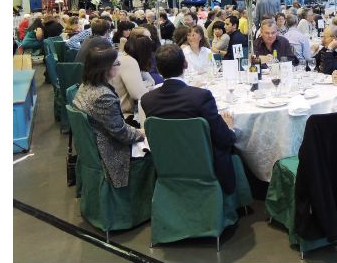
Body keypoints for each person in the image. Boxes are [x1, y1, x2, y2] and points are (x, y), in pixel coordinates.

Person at [139, 44, 240, 194]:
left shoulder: (147, 100)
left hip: (167, 162)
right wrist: (230, 128)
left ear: (158, 70)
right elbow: (224, 138)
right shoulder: (201, 97)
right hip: (203, 164)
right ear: (185, 64)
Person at [72, 46, 146, 188]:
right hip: (107, 151)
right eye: (117, 63)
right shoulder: (103, 96)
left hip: (94, 145)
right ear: (106, 69)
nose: (119, 66)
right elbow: (121, 133)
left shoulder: (86, 85)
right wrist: (142, 134)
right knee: (151, 153)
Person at [110, 35, 156, 122]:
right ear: (145, 52)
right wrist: (148, 87)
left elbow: (151, 81)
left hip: (117, 113)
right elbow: (138, 94)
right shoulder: (129, 61)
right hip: (123, 117)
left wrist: (144, 85)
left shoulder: (125, 57)